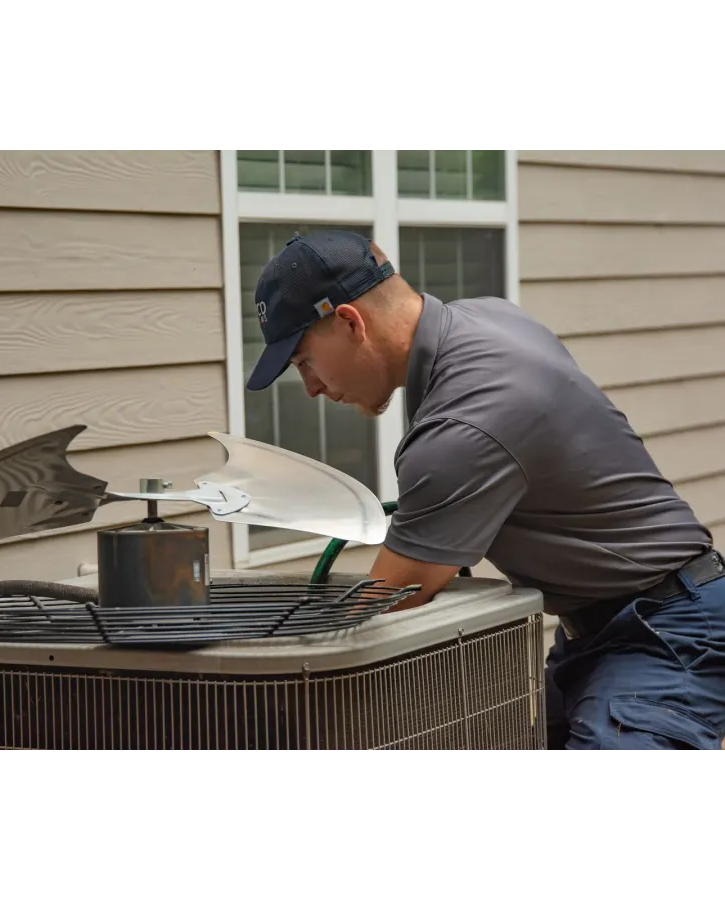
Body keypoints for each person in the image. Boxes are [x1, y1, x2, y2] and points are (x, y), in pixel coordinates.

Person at [245, 228, 725, 752]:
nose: (311, 388)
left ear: (350, 321)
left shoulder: (461, 427)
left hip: (666, 637)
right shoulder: (491, 318)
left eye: (304, 362)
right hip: (616, 624)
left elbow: (388, 600)